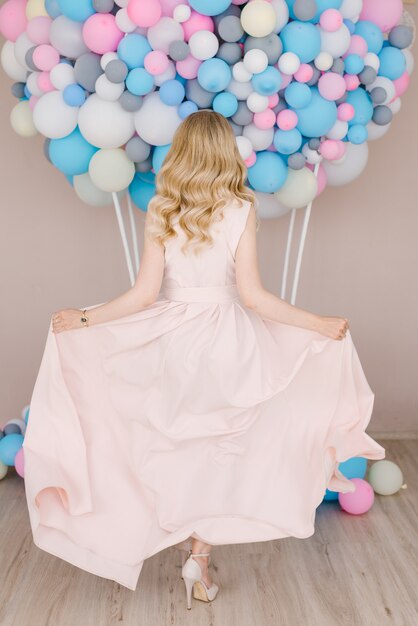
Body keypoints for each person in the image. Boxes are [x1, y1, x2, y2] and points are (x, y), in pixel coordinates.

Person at [23, 110, 385, 610]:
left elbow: (144, 296)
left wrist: (85, 321)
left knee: (173, 444)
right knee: (223, 450)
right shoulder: (241, 208)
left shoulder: (162, 209)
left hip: (170, 340)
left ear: (183, 152)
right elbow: (254, 297)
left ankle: (181, 542)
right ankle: (201, 557)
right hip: (228, 341)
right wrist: (316, 323)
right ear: (224, 153)